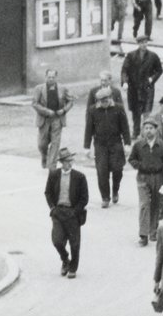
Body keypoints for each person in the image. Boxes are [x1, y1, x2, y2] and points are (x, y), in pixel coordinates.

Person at [82, 71, 133, 207]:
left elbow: (125, 128)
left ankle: (115, 189)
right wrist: (86, 147)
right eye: (101, 101)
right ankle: (105, 197)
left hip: (116, 143)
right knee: (102, 171)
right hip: (100, 144)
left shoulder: (118, 109)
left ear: (110, 98)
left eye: (106, 100)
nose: (103, 103)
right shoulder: (93, 110)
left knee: (117, 169)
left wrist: (127, 144)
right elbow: (88, 129)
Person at [45, 147, 89, 277]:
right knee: (57, 241)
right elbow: (47, 192)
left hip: (73, 213)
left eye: (71, 160)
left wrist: (75, 212)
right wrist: (52, 208)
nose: (70, 163)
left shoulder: (80, 177)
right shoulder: (54, 175)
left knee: (74, 243)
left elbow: (84, 198)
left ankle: (72, 268)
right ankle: (65, 259)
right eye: (67, 161)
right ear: (62, 163)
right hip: (58, 212)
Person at [127, 119, 163, 245]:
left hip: (158, 177)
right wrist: (140, 165)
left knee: (156, 205)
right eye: (146, 128)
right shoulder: (138, 145)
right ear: (143, 130)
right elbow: (131, 159)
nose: (148, 131)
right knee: (144, 204)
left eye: (151, 128)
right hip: (143, 177)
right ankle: (143, 235)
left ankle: (153, 231)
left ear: (156, 130)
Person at [31, 70, 74, 169]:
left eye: (53, 77)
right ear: (45, 77)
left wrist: (63, 110)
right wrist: (46, 111)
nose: (51, 79)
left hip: (57, 119)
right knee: (42, 144)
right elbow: (34, 103)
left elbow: (70, 101)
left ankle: (52, 166)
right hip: (44, 119)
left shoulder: (62, 88)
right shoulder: (39, 88)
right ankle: (44, 157)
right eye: (49, 77)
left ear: (56, 77)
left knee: (55, 143)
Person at [120, 38, 163, 121]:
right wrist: (125, 82)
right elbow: (124, 70)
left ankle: (145, 130)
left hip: (147, 88)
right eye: (142, 43)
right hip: (134, 88)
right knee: (136, 113)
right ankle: (136, 133)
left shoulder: (153, 56)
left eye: (145, 42)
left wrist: (152, 78)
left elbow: (159, 70)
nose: (144, 45)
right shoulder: (131, 55)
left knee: (146, 113)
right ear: (138, 44)